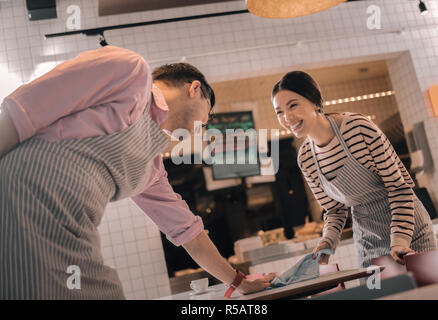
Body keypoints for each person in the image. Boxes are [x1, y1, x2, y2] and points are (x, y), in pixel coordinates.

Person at [0, 45, 275, 299]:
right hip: (26, 198)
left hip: (71, 229)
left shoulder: (150, 168)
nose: (202, 127)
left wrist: (239, 282)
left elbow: (188, 232)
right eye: (207, 115)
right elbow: (24, 109)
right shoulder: (129, 70)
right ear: (194, 89)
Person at [271, 71, 437, 269]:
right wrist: (327, 242)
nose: (287, 117)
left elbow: (398, 187)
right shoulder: (306, 158)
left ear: (315, 102)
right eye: (279, 112)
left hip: (409, 231)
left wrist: (400, 240)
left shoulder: (359, 128)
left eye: (293, 105)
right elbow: (333, 209)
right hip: (369, 241)